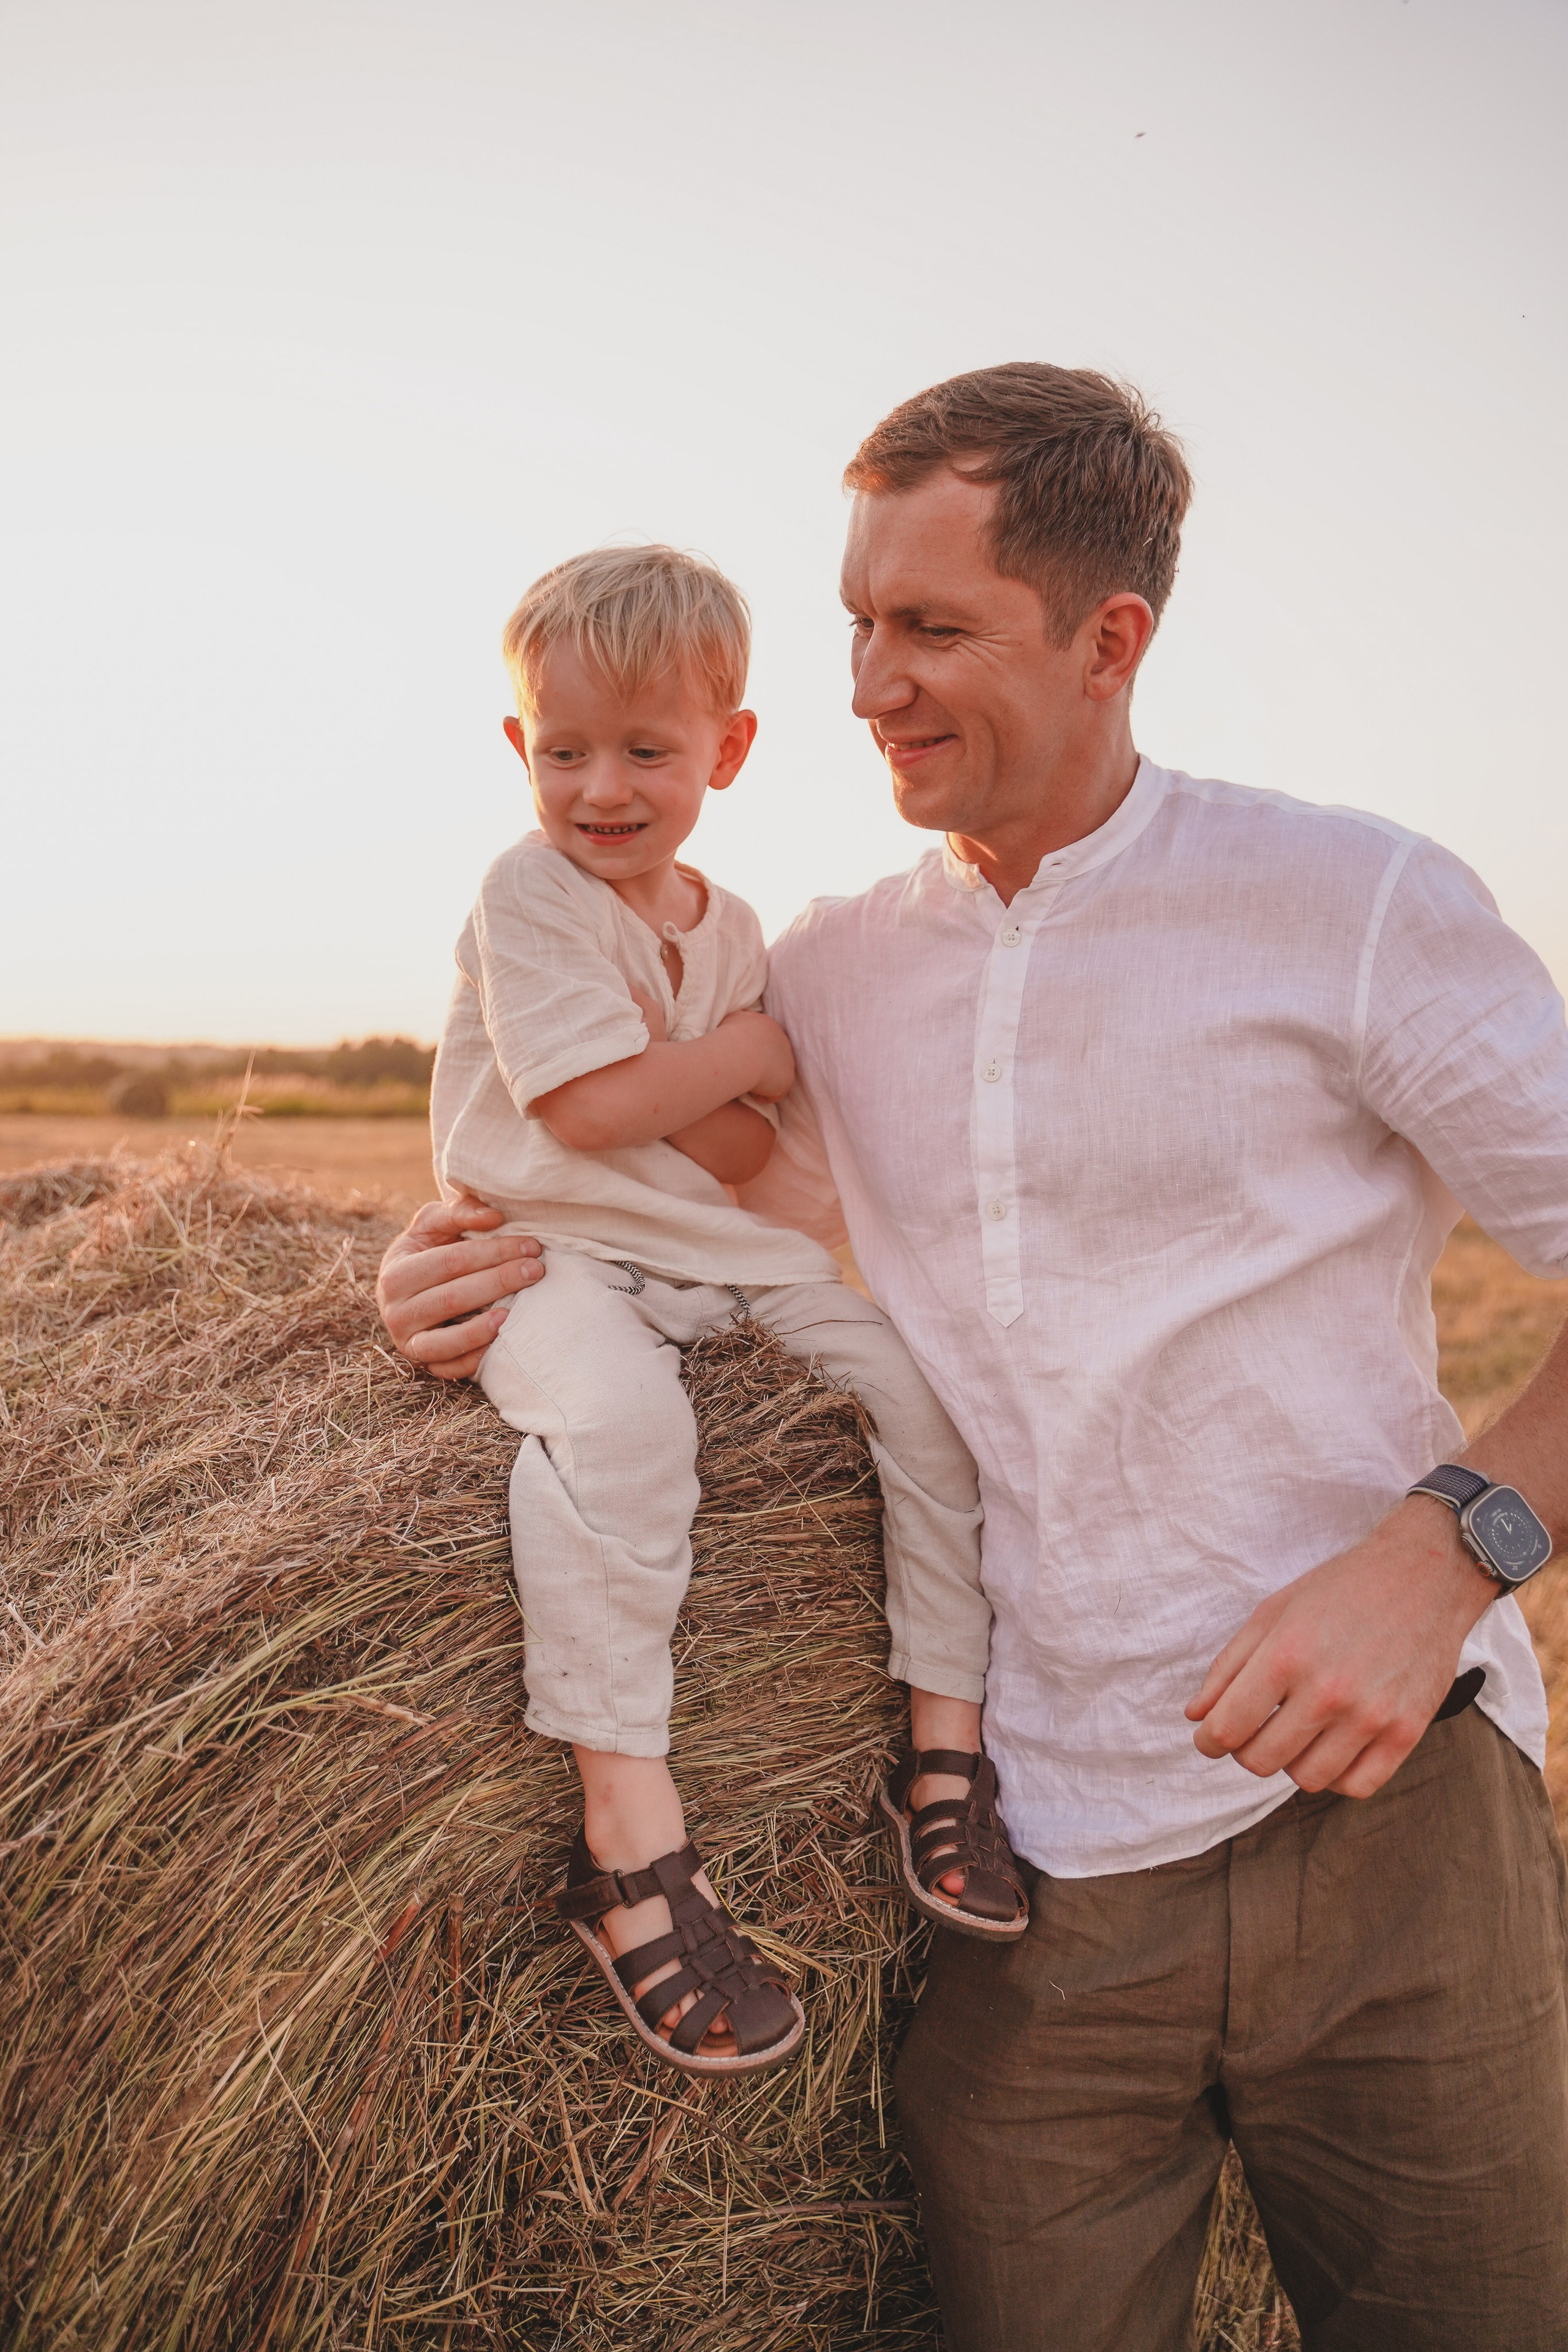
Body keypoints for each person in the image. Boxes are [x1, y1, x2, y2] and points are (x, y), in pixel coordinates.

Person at [379, 366, 1568, 2346]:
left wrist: (1451, 1547)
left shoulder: (1355, 905)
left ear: (1111, 641)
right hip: (1027, 1878)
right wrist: (440, 1268)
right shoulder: (827, 969)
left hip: (1395, 1839)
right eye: (857, 621)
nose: (869, 683)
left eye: (929, 627)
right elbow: (679, 1176)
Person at [426, 543, 1027, 2081]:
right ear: (520, 747)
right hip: (549, 1251)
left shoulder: (735, 927)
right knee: (624, 1436)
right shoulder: (529, 892)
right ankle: (625, 1840)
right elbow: (582, 1109)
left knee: (920, 1400)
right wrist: (738, 1056)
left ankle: (939, 1750)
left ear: (728, 750)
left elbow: (740, 1156)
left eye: (646, 751)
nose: (600, 789)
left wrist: (688, 1077)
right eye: (564, 751)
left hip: (712, 1250)